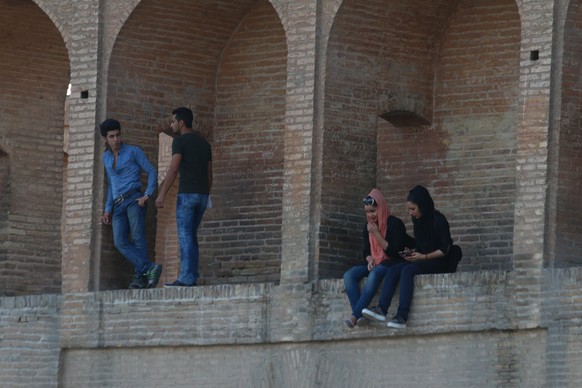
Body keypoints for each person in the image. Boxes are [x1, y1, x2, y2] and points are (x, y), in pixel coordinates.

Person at [362, 185, 454, 329]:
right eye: (409, 209)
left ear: (422, 206)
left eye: (413, 209)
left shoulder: (438, 219)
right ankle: (381, 309)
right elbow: (421, 244)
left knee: (407, 271)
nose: (411, 213)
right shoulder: (418, 220)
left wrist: (423, 257)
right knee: (393, 269)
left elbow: (445, 248)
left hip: (438, 261)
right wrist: (411, 251)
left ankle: (402, 316)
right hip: (421, 258)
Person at [100, 118, 162, 289]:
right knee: (120, 242)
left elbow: (151, 171)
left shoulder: (133, 151)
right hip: (118, 204)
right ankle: (149, 268)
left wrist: (147, 195)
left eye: (118, 135)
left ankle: (139, 279)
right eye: (111, 137)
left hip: (134, 199)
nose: (116, 140)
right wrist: (108, 208)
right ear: (105, 139)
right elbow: (112, 184)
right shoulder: (105, 157)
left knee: (137, 239)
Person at [156, 107, 212, 287]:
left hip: (187, 195)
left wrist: (162, 194)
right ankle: (191, 276)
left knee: (185, 235)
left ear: (181, 123)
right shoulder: (205, 144)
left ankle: (187, 277)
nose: (171, 124)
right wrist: (206, 193)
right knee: (191, 236)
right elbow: (210, 174)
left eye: (173, 121)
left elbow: (173, 169)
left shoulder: (180, 142)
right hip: (202, 195)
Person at [342, 188, 407, 328]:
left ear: (381, 208)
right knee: (349, 275)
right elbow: (366, 250)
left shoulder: (395, 224)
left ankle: (354, 316)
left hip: (391, 262)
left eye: (373, 211)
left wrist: (377, 234)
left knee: (375, 274)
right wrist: (369, 259)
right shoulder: (367, 226)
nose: (370, 215)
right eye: (368, 212)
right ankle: (360, 315)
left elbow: (395, 252)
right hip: (375, 262)